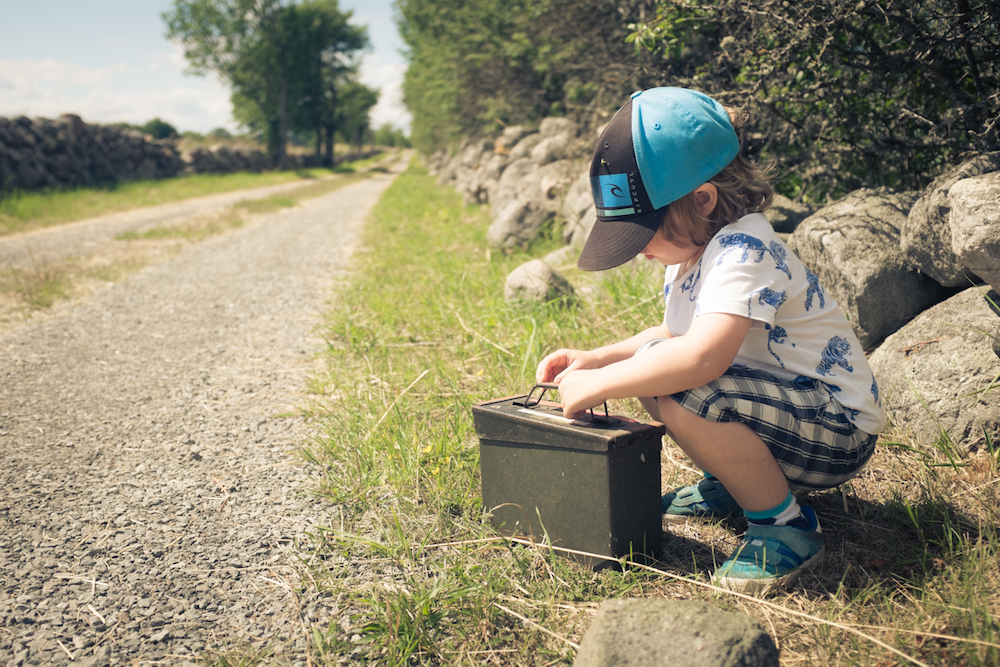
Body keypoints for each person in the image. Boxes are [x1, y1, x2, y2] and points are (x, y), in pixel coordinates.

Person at [535, 88, 885, 594]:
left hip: (836, 430)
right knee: (658, 370)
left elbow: (702, 356)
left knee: (680, 382)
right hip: (791, 415)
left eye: (644, 232)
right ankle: (736, 482)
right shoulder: (695, 253)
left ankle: (785, 525)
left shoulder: (744, 248)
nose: (640, 252)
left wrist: (601, 382)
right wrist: (598, 359)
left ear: (702, 200)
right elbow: (674, 335)